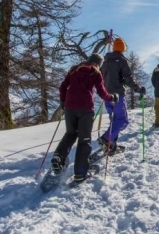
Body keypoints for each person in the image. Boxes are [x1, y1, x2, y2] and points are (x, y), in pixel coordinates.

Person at [52, 53, 118, 182]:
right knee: (84, 140)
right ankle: (80, 172)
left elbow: (63, 87)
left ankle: (58, 157)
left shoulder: (74, 70)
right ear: (97, 64)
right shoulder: (95, 73)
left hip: (70, 108)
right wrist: (112, 97)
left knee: (70, 134)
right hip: (86, 109)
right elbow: (102, 92)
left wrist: (63, 101)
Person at [98, 37, 146, 153]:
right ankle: (106, 139)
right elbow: (128, 78)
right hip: (118, 95)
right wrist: (138, 89)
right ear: (123, 49)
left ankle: (111, 144)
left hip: (106, 95)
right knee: (122, 121)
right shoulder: (122, 61)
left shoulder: (104, 62)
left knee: (114, 120)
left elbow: (105, 78)